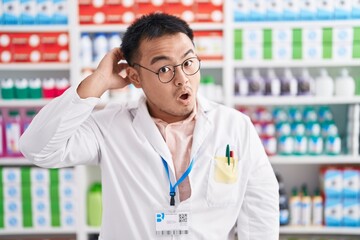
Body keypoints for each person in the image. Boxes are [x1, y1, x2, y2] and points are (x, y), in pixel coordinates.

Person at [20, 13, 279, 240]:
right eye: (164, 69)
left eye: (188, 63)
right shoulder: (110, 126)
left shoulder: (235, 126)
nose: (182, 79)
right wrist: (98, 81)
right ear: (135, 76)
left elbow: (259, 209)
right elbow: (38, 149)